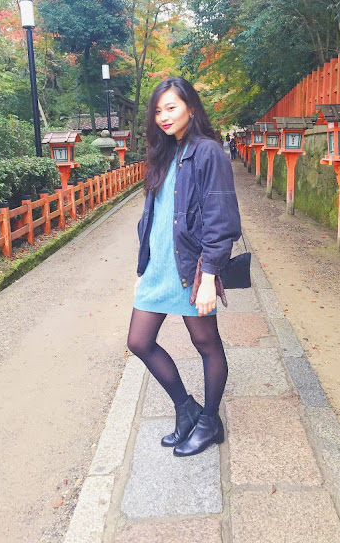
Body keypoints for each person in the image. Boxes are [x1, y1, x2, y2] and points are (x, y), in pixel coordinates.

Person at [128, 77, 241, 457]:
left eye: (171, 107)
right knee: (138, 341)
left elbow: (221, 220)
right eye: (158, 110)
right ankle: (186, 407)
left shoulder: (208, 152)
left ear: (191, 108)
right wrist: (143, 269)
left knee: (206, 343)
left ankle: (209, 422)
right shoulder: (163, 154)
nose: (163, 116)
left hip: (190, 269)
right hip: (158, 268)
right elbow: (153, 219)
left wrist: (209, 277)